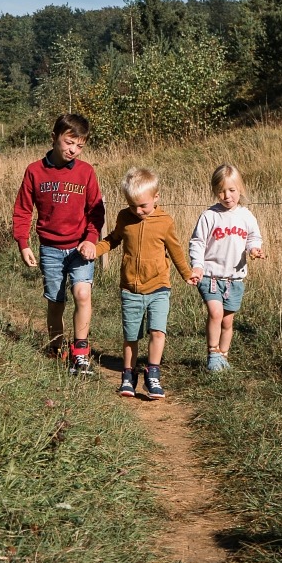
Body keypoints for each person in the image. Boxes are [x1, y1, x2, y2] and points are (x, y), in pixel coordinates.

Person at [12, 113, 106, 376]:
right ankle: (56, 348)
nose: (73, 150)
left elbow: (96, 212)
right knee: (56, 302)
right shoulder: (34, 171)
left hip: (79, 248)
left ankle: (80, 353)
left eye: (80, 146)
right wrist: (23, 242)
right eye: (69, 143)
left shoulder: (86, 172)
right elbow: (22, 210)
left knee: (83, 295)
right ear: (54, 138)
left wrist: (90, 239)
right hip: (50, 249)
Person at [95, 167, 198, 400]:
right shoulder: (124, 217)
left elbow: (175, 250)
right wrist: (95, 249)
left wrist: (186, 273)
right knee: (131, 336)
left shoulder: (165, 222)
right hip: (131, 288)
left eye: (143, 205)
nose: (138, 210)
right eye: (132, 205)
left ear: (156, 198)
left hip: (159, 287)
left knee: (157, 332)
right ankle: (128, 374)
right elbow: (112, 240)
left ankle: (153, 374)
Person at [188, 163, 265, 373]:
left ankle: (224, 356)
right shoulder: (209, 216)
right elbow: (197, 242)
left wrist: (254, 250)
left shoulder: (246, 216)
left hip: (234, 279)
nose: (227, 195)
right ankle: (213, 354)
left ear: (240, 189)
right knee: (215, 312)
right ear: (215, 191)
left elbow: (253, 237)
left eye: (231, 190)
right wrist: (197, 266)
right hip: (211, 276)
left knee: (228, 321)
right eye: (221, 191)